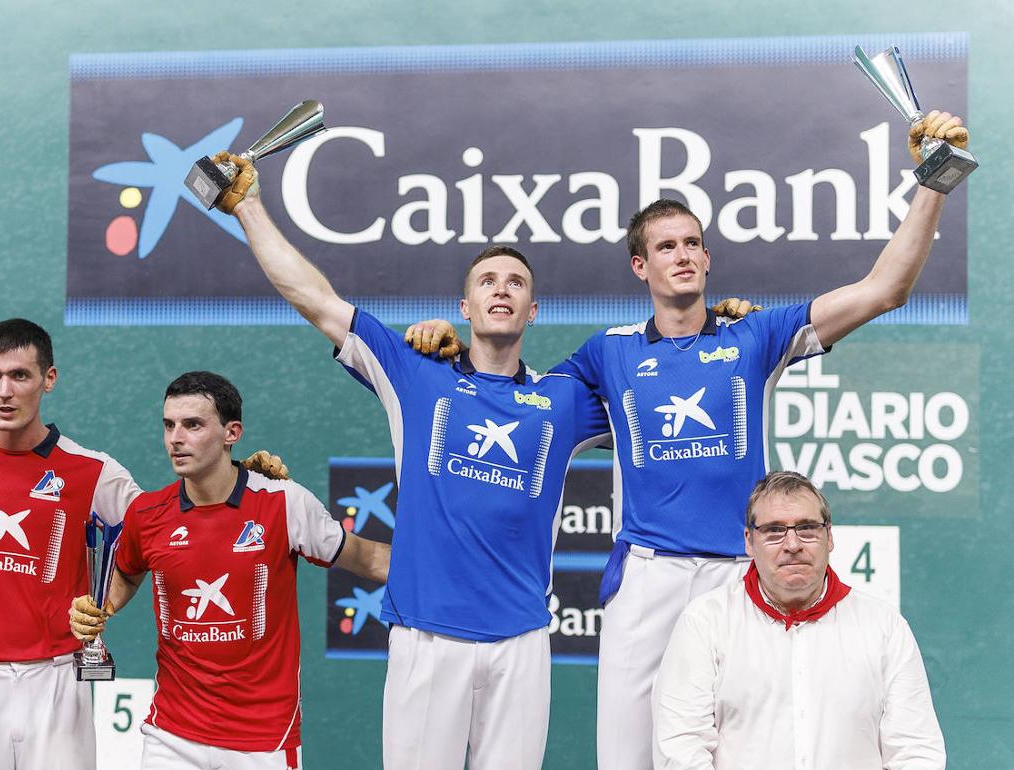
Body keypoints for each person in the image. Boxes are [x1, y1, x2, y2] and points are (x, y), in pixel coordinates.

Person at [409, 110, 969, 770]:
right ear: (642, 266)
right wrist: (444, 352)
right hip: (646, 582)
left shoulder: (754, 338)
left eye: (692, 243)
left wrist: (934, 178)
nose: (682, 254)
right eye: (666, 246)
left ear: (707, 258)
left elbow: (885, 289)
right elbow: (517, 401)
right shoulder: (606, 354)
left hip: (737, 576)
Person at [210, 152, 612, 770]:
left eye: (516, 283)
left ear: (534, 312)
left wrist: (722, 330)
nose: (501, 289)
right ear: (465, 306)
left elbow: (660, 399)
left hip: (522, 644)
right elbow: (316, 299)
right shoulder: (414, 372)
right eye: (487, 281)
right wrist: (247, 205)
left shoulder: (564, 401)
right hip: (426, 640)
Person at [0, 319, 285, 770]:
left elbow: (165, 524)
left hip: (56, 679)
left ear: (48, 380)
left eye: (20, 376)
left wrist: (237, 478)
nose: (5, 391)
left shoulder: (93, 471)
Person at [68, 371, 390, 769]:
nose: (176, 438)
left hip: (263, 743)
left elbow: (372, 559)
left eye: (193, 425)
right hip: (171, 737)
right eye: (169, 425)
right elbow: (128, 573)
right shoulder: (147, 514)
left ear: (231, 432)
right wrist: (101, 607)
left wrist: (457, 571)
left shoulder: (282, 502)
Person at [652, 471, 946, 769]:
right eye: (773, 531)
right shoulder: (705, 622)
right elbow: (680, 748)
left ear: (829, 536)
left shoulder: (884, 627)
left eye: (807, 529)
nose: (792, 544)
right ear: (749, 542)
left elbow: (917, 752)